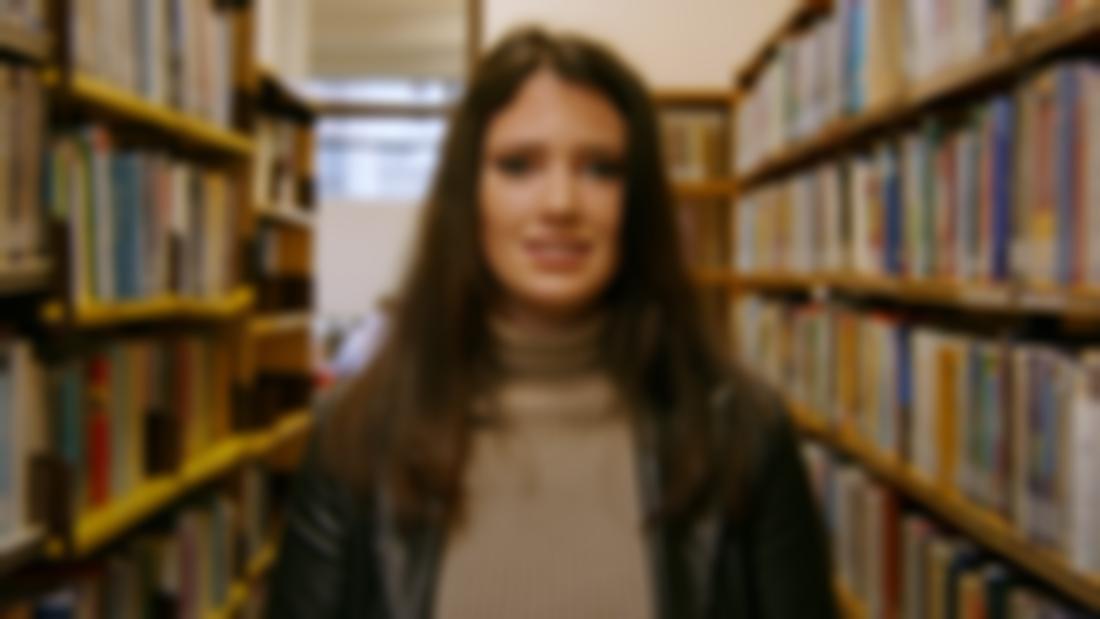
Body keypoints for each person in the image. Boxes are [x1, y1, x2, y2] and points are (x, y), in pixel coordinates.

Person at [268, 26, 837, 619]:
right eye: (518, 166)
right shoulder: (355, 439)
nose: (561, 203)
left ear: (636, 202)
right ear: (469, 196)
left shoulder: (744, 436)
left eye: (600, 169)